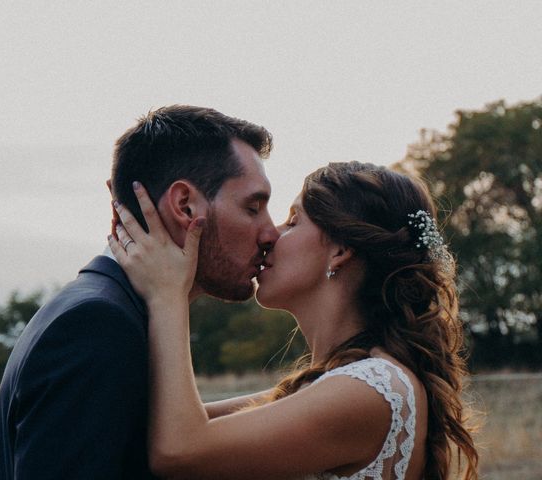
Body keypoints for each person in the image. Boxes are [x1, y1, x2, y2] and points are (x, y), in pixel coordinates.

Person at [109, 161, 480, 480]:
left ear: (339, 251)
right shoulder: (335, 384)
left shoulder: (370, 388)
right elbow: (166, 426)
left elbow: (178, 450)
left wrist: (169, 294)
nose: (271, 235)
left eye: (293, 220)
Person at [0, 105, 280, 479]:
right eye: (253, 207)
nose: (271, 232)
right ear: (185, 206)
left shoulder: (121, 309)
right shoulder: (96, 324)